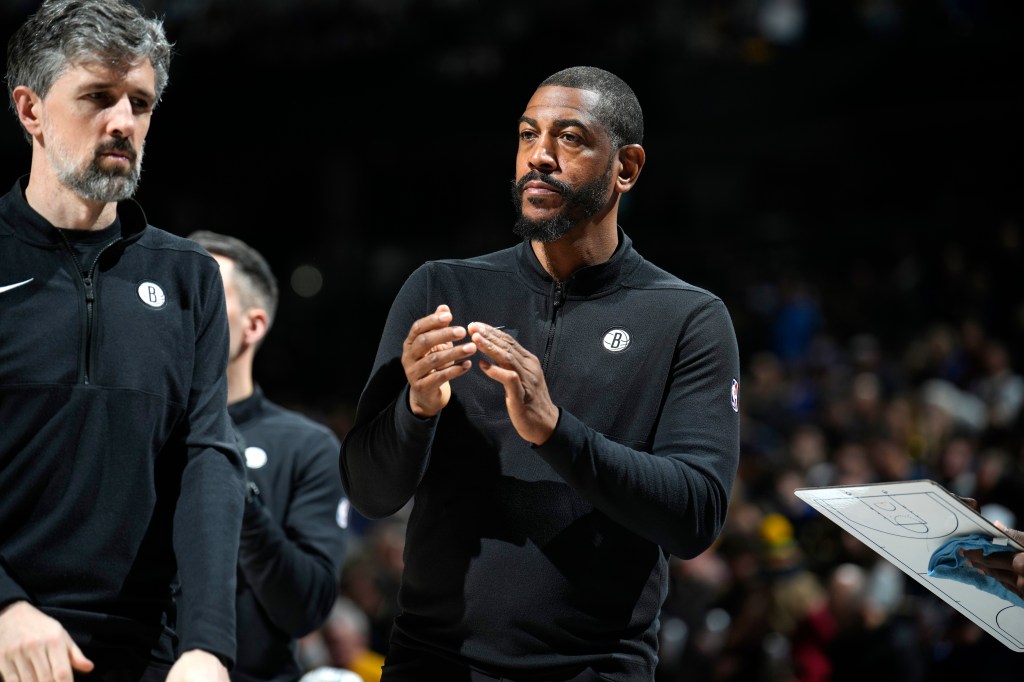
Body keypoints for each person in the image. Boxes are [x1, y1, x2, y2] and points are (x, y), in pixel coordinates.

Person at [340, 65, 741, 681]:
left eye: (570, 138)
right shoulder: (442, 288)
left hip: (594, 670)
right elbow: (370, 492)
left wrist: (554, 430)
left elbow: (694, 517)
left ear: (626, 168)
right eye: (528, 136)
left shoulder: (688, 317)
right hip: (433, 663)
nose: (540, 157)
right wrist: (414, 411)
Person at [0, 2, 245, 682]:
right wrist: (5, 609)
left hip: (147, 651)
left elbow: (207, 461)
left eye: (139, 103)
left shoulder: (187, 276)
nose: (122, 123)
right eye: (97, 98)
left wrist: (208, 644)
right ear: (31, 110)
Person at [186, 231, 350, 682]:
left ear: (253, 325)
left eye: (202, 292)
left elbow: (307, 609)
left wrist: (236, 491)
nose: (182, 309)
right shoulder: (131, 427)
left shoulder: (306, 446)